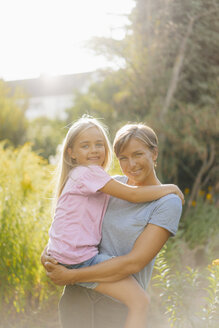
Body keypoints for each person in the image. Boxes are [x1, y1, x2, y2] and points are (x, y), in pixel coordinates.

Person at [42, 120, 183, 328]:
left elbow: (133, 263)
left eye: (138, 154)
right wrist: (47, 252)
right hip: (76, 299)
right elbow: (72, 221)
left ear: (154, 153)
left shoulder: (167, 202)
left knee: (140, 302)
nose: (131, 165)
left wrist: (71, 275)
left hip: (115, 309)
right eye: (123, 158)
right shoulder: (110, 185)